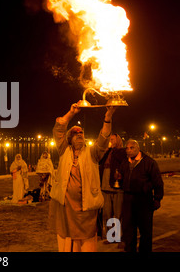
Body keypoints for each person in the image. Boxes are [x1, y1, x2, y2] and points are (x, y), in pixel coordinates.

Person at [49, 101, 116, 252]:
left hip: (85, 208)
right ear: (69, 139)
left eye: (81, 133)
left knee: (87, 242)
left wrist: (108, 115)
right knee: (67, 240)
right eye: (75, 133)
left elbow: (104, 139)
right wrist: (71, 113)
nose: (79, 135)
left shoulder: (92, 153)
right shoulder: (63, 151)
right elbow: (58, 130)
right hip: (65, 207)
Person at [119, 139, 164, 252]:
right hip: (128, 200)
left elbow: (157, 182)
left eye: (132, 147)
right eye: (127, 148)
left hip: (144, 200)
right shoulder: (125, 162)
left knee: (145, 231)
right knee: (129, 230)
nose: (128, 150)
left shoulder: (149, 162)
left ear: (138, 148)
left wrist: (157, 198)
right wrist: (120, 180)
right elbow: (122, 179)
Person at [98, 133, 124, 240]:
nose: (111, 142)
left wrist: (113, 149)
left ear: (117, 141)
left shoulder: (122, 152)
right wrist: (106, 150)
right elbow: (99, 161)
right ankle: (110, 236)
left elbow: (121, 162)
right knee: (107, 213)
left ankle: (118, 236)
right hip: (104, 186)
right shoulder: (106, 152)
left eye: (113, 140)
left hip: (117, 187)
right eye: (109, 140)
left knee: (118, 213)